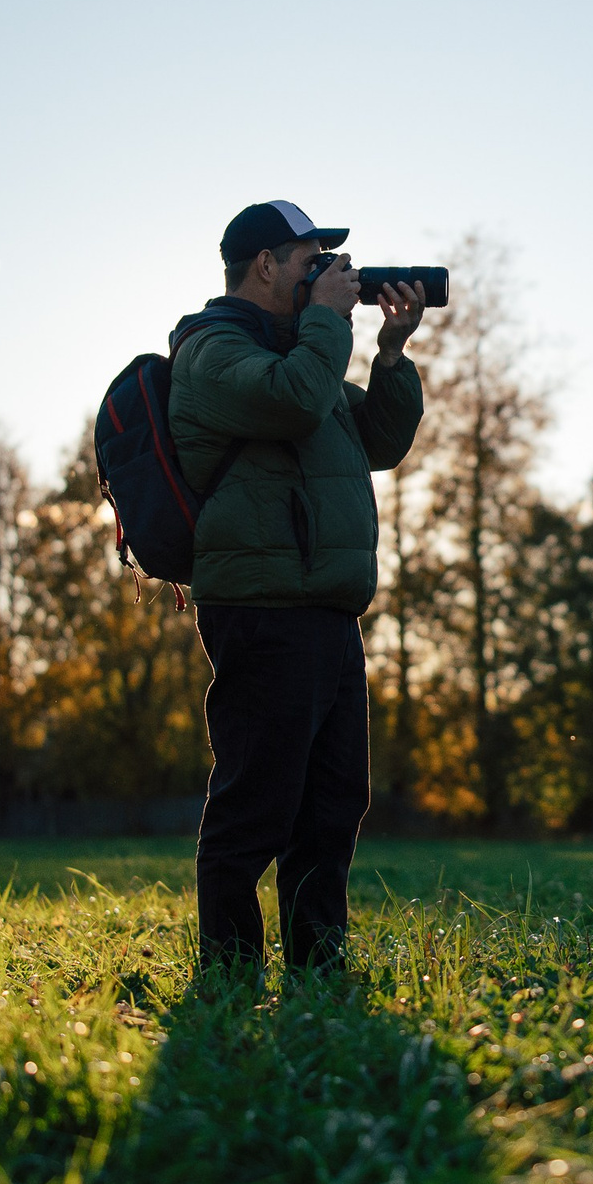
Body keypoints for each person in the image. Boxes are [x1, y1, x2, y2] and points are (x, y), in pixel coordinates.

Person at [168, 199, 425, 976]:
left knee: (332, 805)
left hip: (326, 609)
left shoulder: (301, 355)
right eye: (310, 261)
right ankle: (230, 971)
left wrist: (390, 354)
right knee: (257, 803)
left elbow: (379, 440)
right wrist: (327, 323)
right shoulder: (214, 351)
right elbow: (290, 401)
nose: (327, 274)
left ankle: (318, 967)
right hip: (262, 608)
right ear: (264, 265)